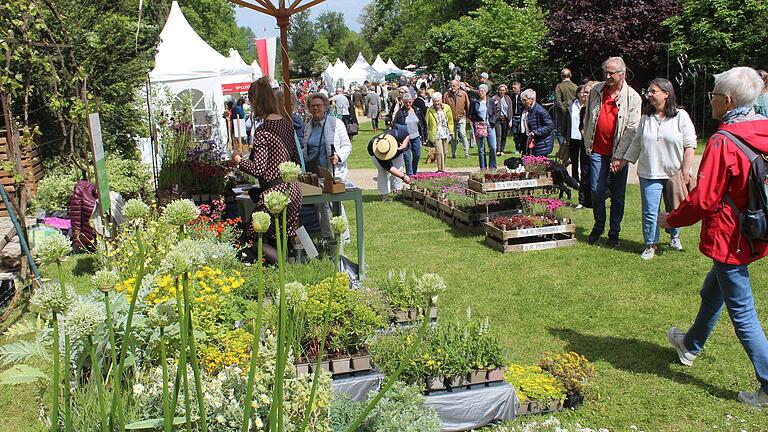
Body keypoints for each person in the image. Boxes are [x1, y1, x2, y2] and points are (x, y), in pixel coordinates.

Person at [659, 66, 768, 408]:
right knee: (713, 290)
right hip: (755, 228)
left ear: (728, 99)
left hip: (730, 235)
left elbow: (704, 198)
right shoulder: (763, 129)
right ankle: (690, 344)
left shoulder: (724, 140)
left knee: (743, 313)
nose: (711, 101)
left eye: (714, 95)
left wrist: (671, 218)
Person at [619, 78, 697, 259]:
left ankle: (674, 236)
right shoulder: (646, 118)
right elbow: (636, 143)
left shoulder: (681, 116)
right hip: (649, 172)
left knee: (673, 209)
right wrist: (624, 161)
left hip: (673, 173)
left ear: (666, 94)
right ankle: (650, 244)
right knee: (650, 210)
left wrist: (686, 170)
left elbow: (690, 145)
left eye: (654, 92)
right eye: (649, 92)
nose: (650, 95)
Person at [230, 76, 302, 263]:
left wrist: (238, 160)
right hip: (292, 190)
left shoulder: (264, 130)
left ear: (257, 102)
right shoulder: (286, 125)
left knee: (252, 237)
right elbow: (296, 160)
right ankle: (283, 272)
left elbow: (259, 169)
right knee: (280, 237)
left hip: (275, 193)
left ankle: (283, 266)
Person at [582, 56, 642, 246]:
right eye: (605, 72)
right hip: (597, 150)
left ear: (622, 74)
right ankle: (598, 226)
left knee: (618, 194)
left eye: (611, 73)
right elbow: (588, 118)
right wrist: (586, 138)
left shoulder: (633, 97)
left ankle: (614, 231)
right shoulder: (596, 90)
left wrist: (619, 156)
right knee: (596, 190)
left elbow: (632, 130)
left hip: (619, 153)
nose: (607, 76)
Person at [302, 92, 352, 242]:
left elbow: (347, 146)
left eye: (319, 105)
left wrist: (339, 157)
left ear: (325, 107)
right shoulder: (308, 126)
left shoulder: (336, 123)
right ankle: (327, 237)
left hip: (333, 171)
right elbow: (306, 149)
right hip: (315, 173)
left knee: (335, 203)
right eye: (313, 106)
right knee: (319, 205)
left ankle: (344, 237)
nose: (316, 108)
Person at [368, 125, 412, 201]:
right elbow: (390, 168)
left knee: (399, 168)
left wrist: (404, 144)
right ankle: (384, 196)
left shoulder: (396, 133)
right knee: (383, 172)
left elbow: (407, 133)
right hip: (377, 153)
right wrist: (404, 177)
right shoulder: (378, 151)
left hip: (398, 151)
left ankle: (398, 190)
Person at [394, 92, 426, 175]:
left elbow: (423, 124)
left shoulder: (417, 110)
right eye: (406, 102)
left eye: (409, 102)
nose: (408, 104)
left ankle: (414, 172)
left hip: (416, 136)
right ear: (403, 102)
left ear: (412, 101)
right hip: (405, 138)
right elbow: (396, 126)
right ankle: (410, 174)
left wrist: (424, 135)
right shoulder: (400, 113)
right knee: (407, 157)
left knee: (417, 155)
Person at [469, 84, 498, 169]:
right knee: (481, 149)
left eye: (482, 90)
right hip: (480, 127)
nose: (480, 92)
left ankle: (492, 167)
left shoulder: (491, 101)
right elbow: (470, 114)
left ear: (486, 91)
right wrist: (476, 121)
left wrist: (492, 121)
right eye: (479, 90)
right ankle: (483, 168)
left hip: (490, 126)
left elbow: (495, 113)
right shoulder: (475, 102)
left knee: (493, 147)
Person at [520, 89, 554, 157]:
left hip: (541, 143)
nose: (523, 102)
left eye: (525, 100)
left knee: (539, 165)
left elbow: (550, 126)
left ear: (531, 99)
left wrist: (535, 132)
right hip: (530, 141)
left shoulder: (540, 111)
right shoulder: (526, 110)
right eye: (522, 100)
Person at [426, 92, 454, 173]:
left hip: (445, 132)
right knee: (439, 152)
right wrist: (428, 133)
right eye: (435, 101)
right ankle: (440, 170)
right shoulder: (429, 110)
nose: (437, 103)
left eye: (438, 101)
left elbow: (450, 120)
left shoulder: (447, 108)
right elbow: (426, 122)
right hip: (436, 133)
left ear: (441, 100)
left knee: (445, 152)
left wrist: (451, 131)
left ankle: (443, 168)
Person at [443, 79, 471, 158]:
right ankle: (453, 153)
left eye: (454, 85)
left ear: (458, 86)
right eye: (451, 85)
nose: (452, 87)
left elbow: (467, 106)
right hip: (451, 119)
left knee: (462, 134)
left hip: (461, 117)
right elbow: (443, 106)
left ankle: (466, 153)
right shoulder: (446, 95)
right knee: (453, 137)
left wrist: (468, 116)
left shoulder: (463, 94)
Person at [555, 68, 578, 155]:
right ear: (570, 75)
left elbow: (558, 101)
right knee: (571, 133)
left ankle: (564, 151)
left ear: (561, 76)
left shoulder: (559, 86)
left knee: (560, 133)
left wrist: (564, 111)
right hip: (573, 113)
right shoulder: (575, 87)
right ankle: (570, 151)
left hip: (562, 114)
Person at [493, 84, 514, 156]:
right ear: (498, 90)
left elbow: (510, 110)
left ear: (505, 91)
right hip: (498, 119)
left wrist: (510, 121)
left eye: (503, 90)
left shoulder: (508, 98)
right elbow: (491, 109)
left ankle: (502, 150)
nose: (502, 91)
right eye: (500, 90)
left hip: (506, 119)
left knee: (504, 135)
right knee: (498, 134)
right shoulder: (495, 98)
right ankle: (498, 150)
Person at [509, 81, 526, 154]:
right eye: (512, 88)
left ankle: (521, 148)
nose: (513, 89)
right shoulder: (511, 96)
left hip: (521, 116)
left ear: (519, 88)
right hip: (514, 117)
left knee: (521, 133)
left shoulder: (523, 96)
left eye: (515, 88)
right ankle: (517, 148)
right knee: (515, 133)